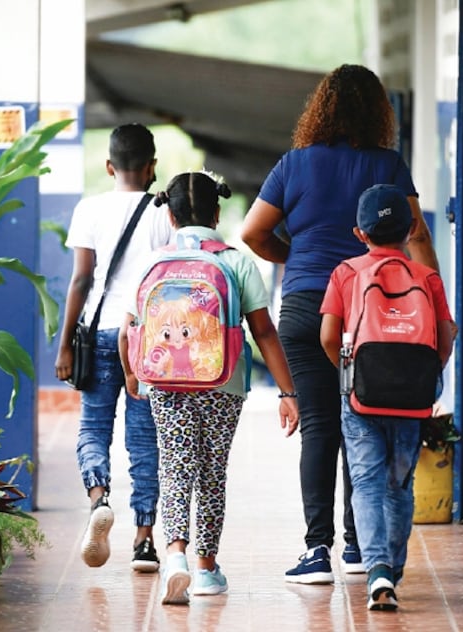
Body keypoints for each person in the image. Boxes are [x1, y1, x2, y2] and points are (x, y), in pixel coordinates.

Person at [240, 63, 439, 583]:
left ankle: (316, 551)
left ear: (320, 109)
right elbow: (417, 235)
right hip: (370, 309)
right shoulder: (387, 164)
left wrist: (295, 257)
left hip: (306, 305)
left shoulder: (294, 164)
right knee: (364, 420)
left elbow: (253, 232)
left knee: (319, 428)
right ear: (378, 113)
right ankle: (357, 546)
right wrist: (430, 296)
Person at [119, 171, 301, 605]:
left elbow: (128, 331)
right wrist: (288, 392)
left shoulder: (151, 263)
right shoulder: (236, 262)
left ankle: (175, 556)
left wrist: (133, 375)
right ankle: (205, 569)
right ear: (217, 214)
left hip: (166, 382)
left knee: (175, 466)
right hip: (223, 383)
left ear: (170, 215)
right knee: (212, 473)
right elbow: (264, 331)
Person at [320, 184, 456, 610]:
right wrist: (426, 375)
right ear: (412, 228)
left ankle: (377, 570)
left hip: (361, 397)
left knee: (365, 483)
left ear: (360, 233)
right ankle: (392, 569)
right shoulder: (427, 277)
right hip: (412, 400)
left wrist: (350, 374)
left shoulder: (346, 273)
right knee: (399, 485)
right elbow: (446, 336)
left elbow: (328, 335)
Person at [55, 123, 171, 573]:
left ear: (109, 166)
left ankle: (99, 497)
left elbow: (81, 279)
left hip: (99, 332)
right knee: (144, 439)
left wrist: (65, 345)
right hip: (146, 337)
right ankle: (144, 540)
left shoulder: (90, 209)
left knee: (93, 427)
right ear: (151, 167)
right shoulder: (164, 213)